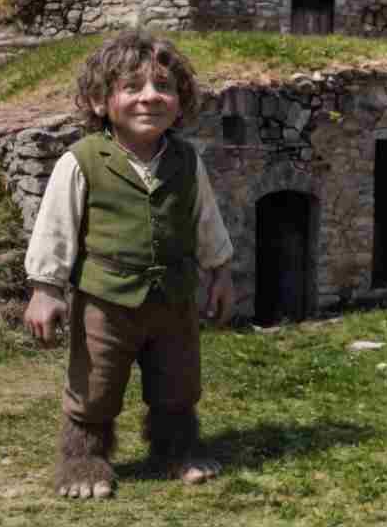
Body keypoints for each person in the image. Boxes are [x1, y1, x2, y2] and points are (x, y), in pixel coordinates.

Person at [22, 30, 234, 499]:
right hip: (105, 299)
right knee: (93, 386)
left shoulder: (186, 161)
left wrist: (219, 273)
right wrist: (46, 288)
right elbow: (55, 226)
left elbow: (206, 222)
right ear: (100, 100)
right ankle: (84, 462)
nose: (149, 98)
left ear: (181, 101)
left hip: (175, 299)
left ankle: (177, 449)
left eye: (164, 87)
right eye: (132, 87)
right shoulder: (81, 162)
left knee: (178, 382)